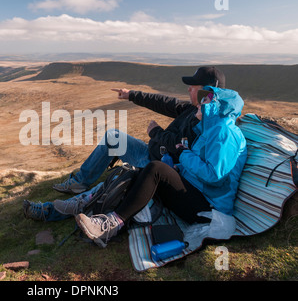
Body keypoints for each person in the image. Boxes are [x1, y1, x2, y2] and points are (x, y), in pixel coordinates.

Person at [23, 66, 226, 221]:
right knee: (113, 137)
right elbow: (165, 102)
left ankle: (52, 210)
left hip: (160, 168)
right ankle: (79, 182)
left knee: (112, 183)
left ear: (208, 91)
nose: (189, 88)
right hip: (151, 154)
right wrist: (132, 95)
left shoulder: (206, 122)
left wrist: (155, 132)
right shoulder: (194, 109)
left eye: (194, 86)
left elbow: (179, 147)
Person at [75, 86, 248, 248]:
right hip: (197, 194)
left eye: (206, 99)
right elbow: (200, 166)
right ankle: (97, 213)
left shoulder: (225, 134)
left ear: (217, 107)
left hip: (211, 211)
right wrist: (179, 168)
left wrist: (182, 154)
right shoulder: (210, 131)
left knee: (155, 169)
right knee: (140, 173)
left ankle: (110, 225)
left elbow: (214, 176)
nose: (199, 103)